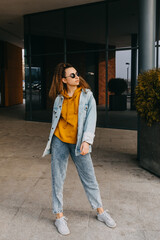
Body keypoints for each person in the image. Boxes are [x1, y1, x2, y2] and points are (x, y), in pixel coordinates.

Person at [42, 63, 116, 236]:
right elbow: (56, 121)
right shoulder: (59, 98)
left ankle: (101, 212)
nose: (77, 77)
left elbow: (91, 118)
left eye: (76, 74)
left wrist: (87, 141)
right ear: (64, 80)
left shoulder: (86, 95)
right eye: (72, 75)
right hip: (59, 140)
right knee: (57, 178)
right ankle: (59, 216)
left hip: (79, 142)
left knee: (89, 177)